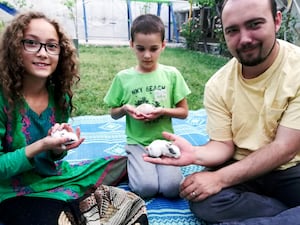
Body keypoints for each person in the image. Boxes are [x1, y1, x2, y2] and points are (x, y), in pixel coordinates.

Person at [144, 0, 300, 224]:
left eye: (255, 24)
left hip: (291, 169)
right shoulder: (218, 85)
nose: (245, 39)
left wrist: (218, 178)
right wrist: (195, 154)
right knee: (201, 198)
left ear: (276, 21)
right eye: (233, 30)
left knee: (212, 184)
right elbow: (223, 145)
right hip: (240, 165)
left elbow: (285, 148)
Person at [0, 11, 147, 225]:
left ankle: (73, 209)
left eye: (52, 46)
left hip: (56, 177)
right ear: (14, 48)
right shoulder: (3, 99)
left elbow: (53, 159)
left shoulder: (59, 97)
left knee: (131, 198)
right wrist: (42, 145)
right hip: (13, 189)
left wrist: (58, 148)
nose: (43, 53)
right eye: (31, 43)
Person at [104, 14, 191, 199]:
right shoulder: (123, 78)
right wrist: (125, 109)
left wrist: (162, 111)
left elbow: (183, 112)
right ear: (131, 44)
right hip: (137, 143)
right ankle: (131, 161)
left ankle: (149, 167)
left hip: (164, 141)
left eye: (154, 49)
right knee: (146, 188)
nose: (147, 55)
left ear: (163, 45)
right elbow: (113, 114)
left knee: (172, 189)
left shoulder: (172, 75)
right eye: (140, 48)